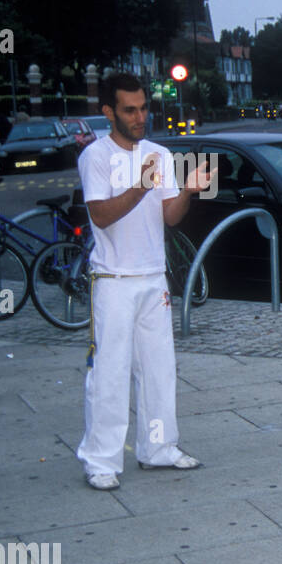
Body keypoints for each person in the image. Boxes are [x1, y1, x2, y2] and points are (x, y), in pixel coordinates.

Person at [76, 73, 214, 490]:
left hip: (154, 277)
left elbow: (169, 215)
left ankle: (158, 448)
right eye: (130, 110)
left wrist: (188, 191)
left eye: (144, 108)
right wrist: (140, 185)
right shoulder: (95, 156)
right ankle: (100, 460)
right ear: (109, 112)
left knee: (158, 369)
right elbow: (100, 215)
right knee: (109, 371)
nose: (140, 117)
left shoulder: (160, 153)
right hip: (113, 279)